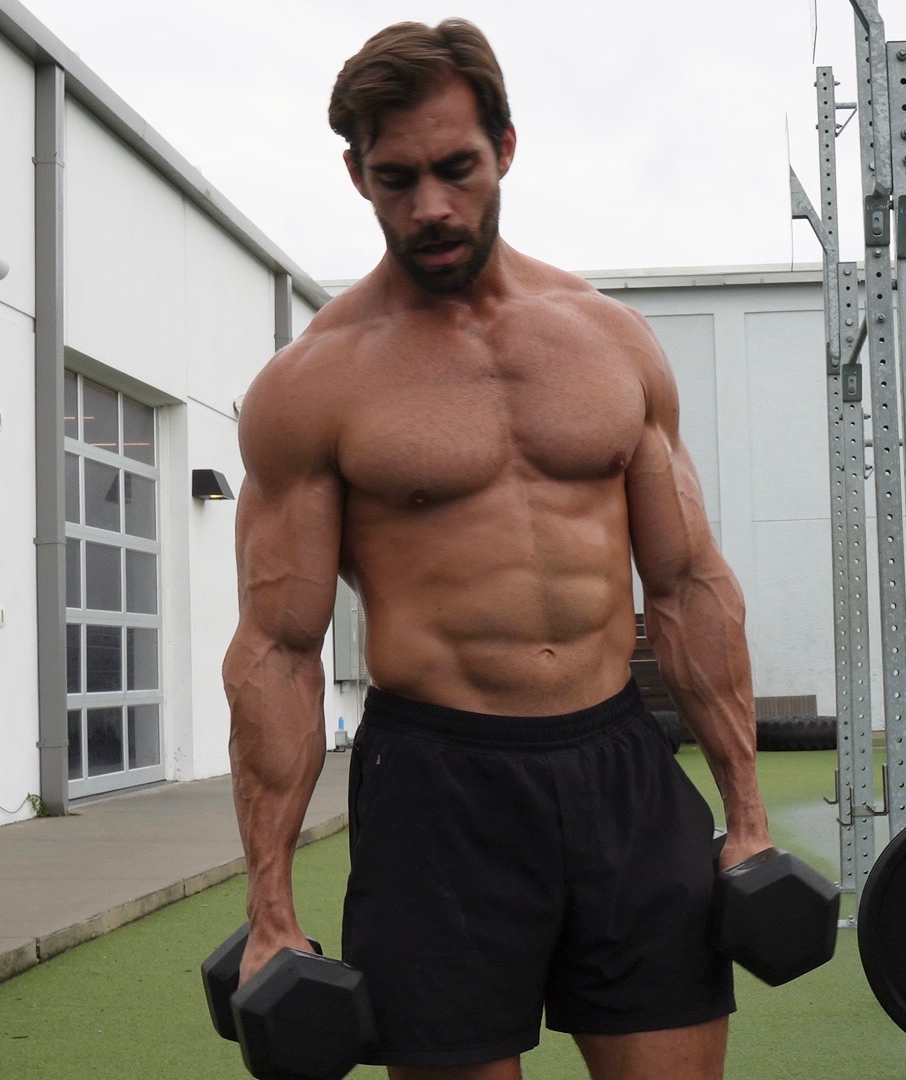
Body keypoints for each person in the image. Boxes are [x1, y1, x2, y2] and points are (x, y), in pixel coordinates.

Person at [221, 18, 773, 1080]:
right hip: (439, 792)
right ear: (357, 176)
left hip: (621, 764)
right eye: (396, 179)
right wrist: (270, 907)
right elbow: (277, 649)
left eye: (456, 168)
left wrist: (746, 815)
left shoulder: (610, 340)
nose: (429, 205)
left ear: (505, 149)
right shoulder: (313, 383)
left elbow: (687, 581)